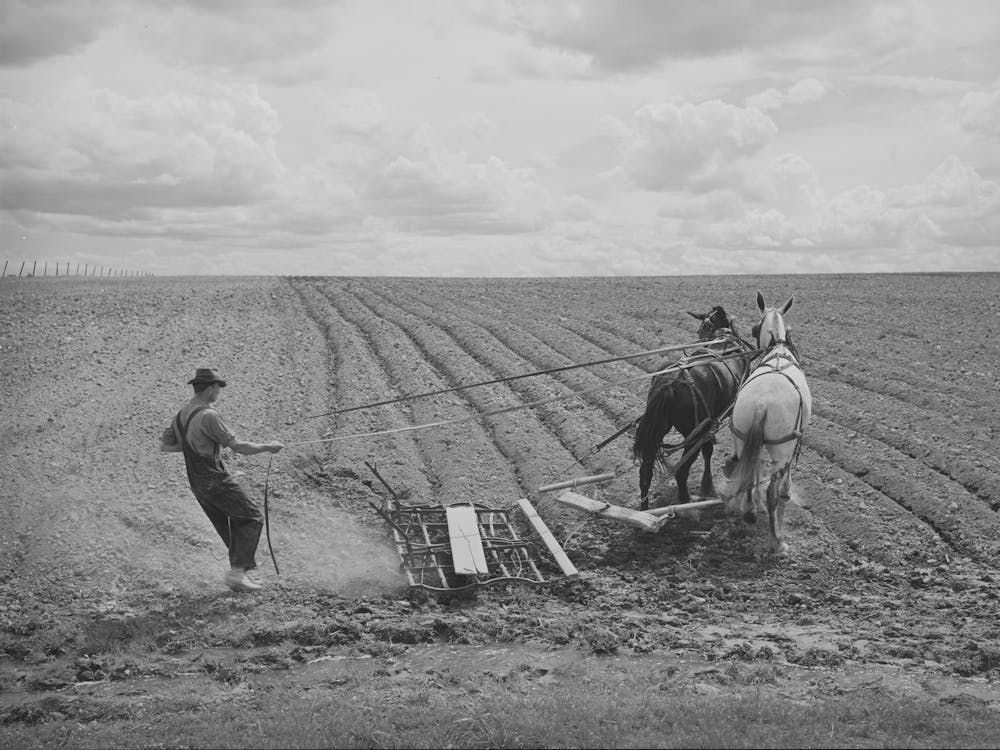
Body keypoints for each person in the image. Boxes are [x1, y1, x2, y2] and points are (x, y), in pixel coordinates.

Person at [160, 368, 284, 592]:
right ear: (210, 388)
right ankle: (237, 575)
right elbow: (238, 447)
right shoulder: (209, 415)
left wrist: (194, 444)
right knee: (252, 517)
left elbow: (166, 445)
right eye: (218, 388)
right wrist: (269, 447)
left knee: (232, 525)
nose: (219, 392)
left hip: (197, 484)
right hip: (215, 479)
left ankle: (240, 576)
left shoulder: (180, 416)